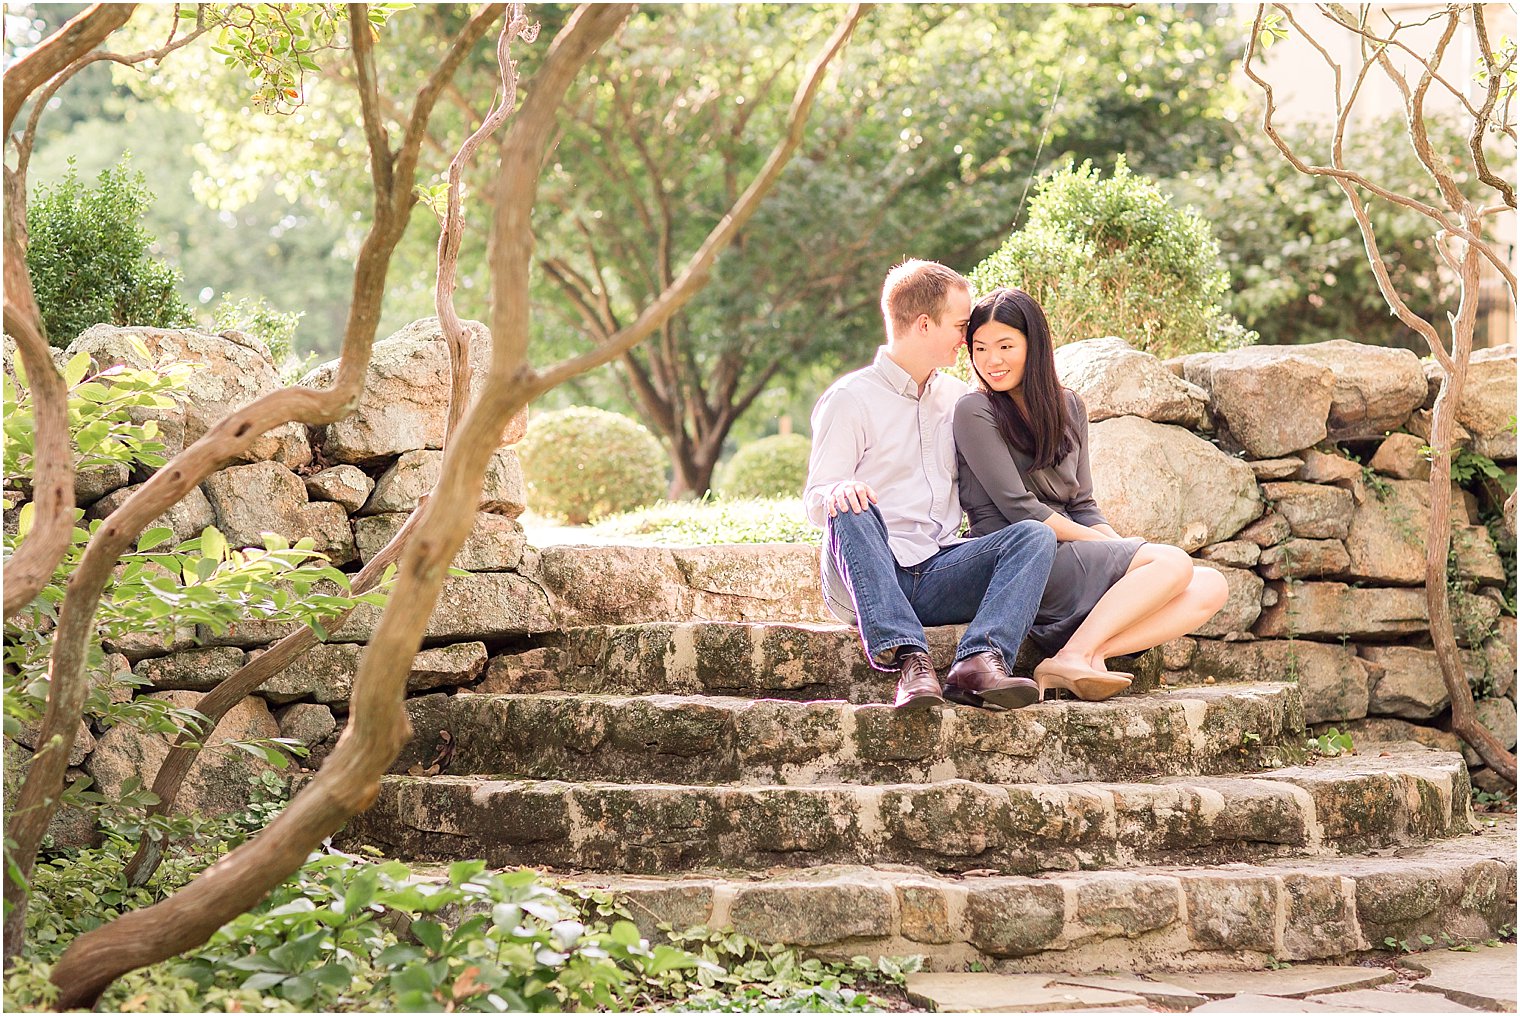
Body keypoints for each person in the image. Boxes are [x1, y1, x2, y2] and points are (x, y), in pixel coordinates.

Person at [803, 261, 1058, 712]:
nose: (967, 338)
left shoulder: (960, 399)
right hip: (867, 575)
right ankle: (911, 660)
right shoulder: (850, 399)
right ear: (924, 324)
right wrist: (838, 492)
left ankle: (978, 660)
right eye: (961, 326)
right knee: (848, 503)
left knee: (1034, 536)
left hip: (937, 569)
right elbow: (816, 499)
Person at [953, 286, 1229, 701]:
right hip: (1020, 557)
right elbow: (1019, 507)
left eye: (1006, 345)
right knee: (1171, 561)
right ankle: (1078, 654)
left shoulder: (1069, 407)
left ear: (1035, 344)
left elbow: (1083, 503)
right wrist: (1118, 548)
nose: (992, 360)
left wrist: (1118, 545)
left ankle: (1085, 652)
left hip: (1073, 556)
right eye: (980, 348)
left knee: (1211, 585)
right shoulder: (974, 410)